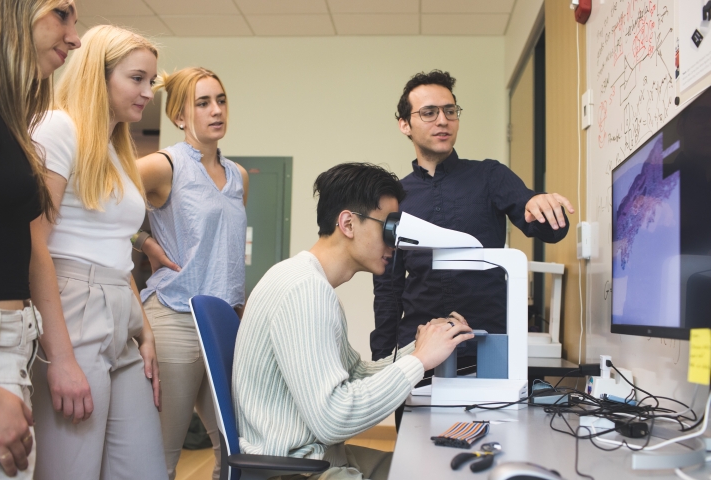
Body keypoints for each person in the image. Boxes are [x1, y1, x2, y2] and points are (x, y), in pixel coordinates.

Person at [233, 163, 474, 480]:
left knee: (433, 465)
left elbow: (355, 373)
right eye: (389, 228)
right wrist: (418, 360)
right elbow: (333, 418)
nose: (395, 243)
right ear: (347, 223)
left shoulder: (310, 282)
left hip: (316, 457)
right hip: (298, 471)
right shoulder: (304, 290)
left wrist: (423, 349)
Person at [371, 71, 574, 425]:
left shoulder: (490, 176)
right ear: (405, 124)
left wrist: (545, 206)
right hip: (419, 350)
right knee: (417, 460)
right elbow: (388, 285)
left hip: (488, 348)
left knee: (492, 448)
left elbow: (544, 225)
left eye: (450, 111)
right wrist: (382, 359)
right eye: (429, 112)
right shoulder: (395, 197)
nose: (443, 121)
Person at [29, 25, 166, 479]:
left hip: (119, 311)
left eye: (151, 81)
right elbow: (34, 245)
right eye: (136, 78)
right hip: (72, 307)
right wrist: (61, 357)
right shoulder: (58, 128)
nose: (148, 92)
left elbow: (117, 251)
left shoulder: (115, 150)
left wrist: (143, 328)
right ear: (97, 75)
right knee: (73, 470)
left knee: (144, 468)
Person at [136, 66, 249, 480]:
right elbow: (100, 192)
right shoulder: (165, 165)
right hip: (176, 316)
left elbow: (227, 254)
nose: (216, 110)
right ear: (180, 116)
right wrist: (143, 241)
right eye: (203, 103)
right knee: (163, 454)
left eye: (220, 100)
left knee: (234, 449)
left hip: (221, 321)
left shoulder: (237, 176)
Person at [0, 1, 80, 477]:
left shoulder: (11, 124)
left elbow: (30, 248)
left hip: (15, 345)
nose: (74, 36)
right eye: (61, 13)